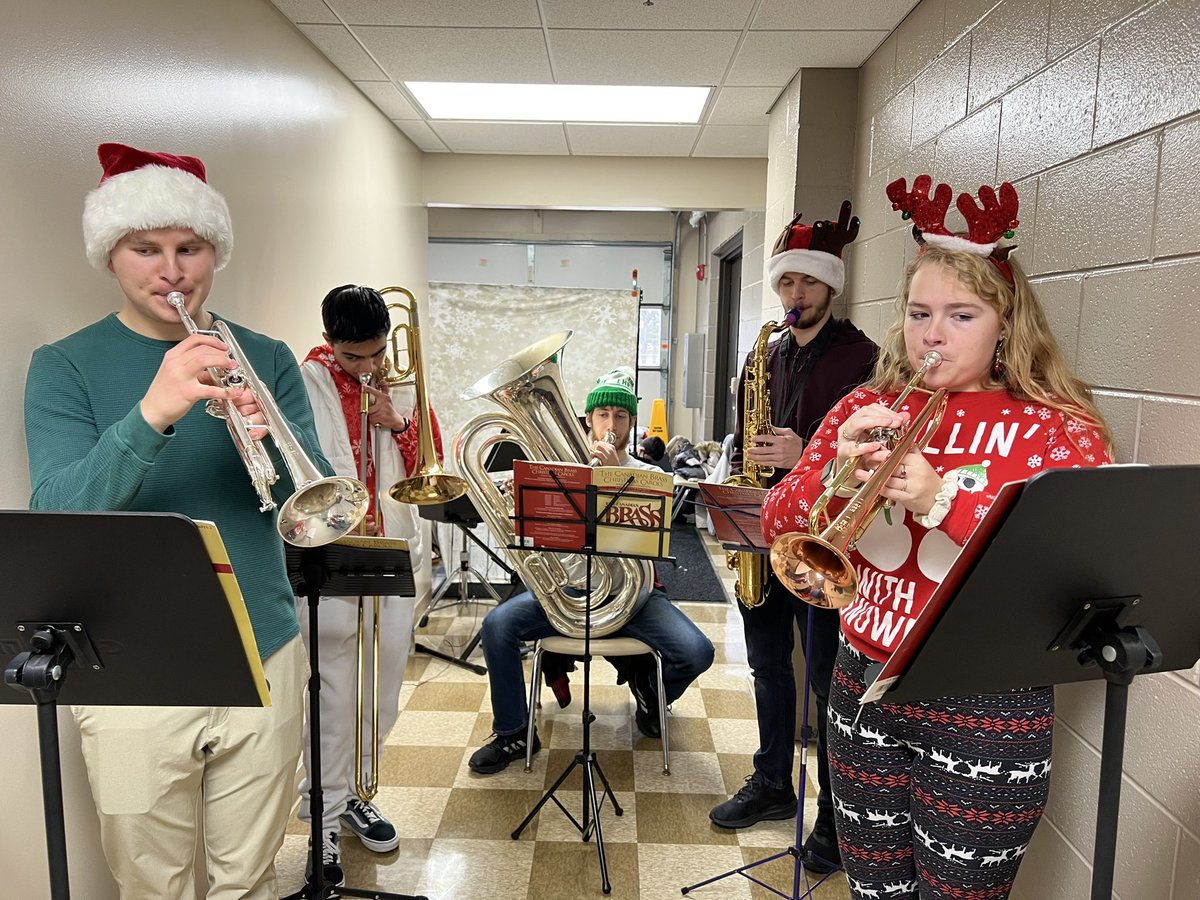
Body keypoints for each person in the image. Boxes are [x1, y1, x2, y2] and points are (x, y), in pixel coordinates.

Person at [760, 176, 1114, 899]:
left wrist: (943, 497)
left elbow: (1073, 570)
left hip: (987, 701)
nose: (933, 333)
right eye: (920, 313)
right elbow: (778, 528)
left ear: (1005, 323)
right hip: (863, 683)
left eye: (961, 314)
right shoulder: (866, 403)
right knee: (874, 893)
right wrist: (830, 463)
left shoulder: (1058, 430)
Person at [23, 142, 321, 898]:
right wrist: (155, 409)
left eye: (189, 247)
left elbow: (310, 505)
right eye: (144, 248)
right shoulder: (65, 364)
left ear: (213, 250)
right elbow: (60, 511)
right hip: (128, 662)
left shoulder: (265, 356)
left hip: (263, 643)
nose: (171, 270)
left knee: (248, 878)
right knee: (150, 885)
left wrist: (266, 440)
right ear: (110, 255)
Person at [709, 202, 877, 879]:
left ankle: (836, 819)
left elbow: (874, 455)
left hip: (825, 540)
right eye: (786, 284)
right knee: (767, 665)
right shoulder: (766, 355)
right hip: (763, 530)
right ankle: (773, 781)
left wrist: (806, 450)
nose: (795, 296)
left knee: (832, 683)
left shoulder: (861, 358)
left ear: (830, 286)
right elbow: (742, 434)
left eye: (807, 284)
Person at [467, 367, 715, 773]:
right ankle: (513, 733)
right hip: (569, 592)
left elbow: (655, 545)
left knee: (696, 652)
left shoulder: (651, 476)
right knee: (497, 626)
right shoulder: (559, 473)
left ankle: (650, 694)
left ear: (632, 422)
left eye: (621, 416)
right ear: (588, 420)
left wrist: (611, 479)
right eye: (603, 415)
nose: (611, 425)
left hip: (635, 597)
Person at [296, 284, 443, 885]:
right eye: (353, 357)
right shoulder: (306, 383)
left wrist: (398, 420)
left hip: (393, 558)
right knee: (331, 694)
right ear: (330, 342)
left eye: (376, 353)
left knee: (379, 694)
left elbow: (433, 469)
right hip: (329, 561)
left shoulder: (402, 383)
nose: (367, 367)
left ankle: (352, 795)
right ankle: (323, 822)